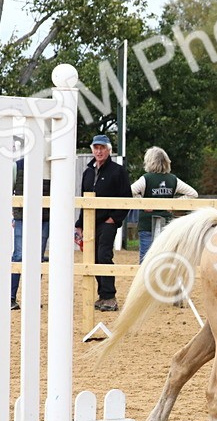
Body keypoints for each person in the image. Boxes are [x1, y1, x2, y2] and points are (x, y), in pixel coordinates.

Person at [78, 134, 131, 312]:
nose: (99, 151)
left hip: (107, 222)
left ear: (108, 150)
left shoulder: (118, 171)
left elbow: (127, 198)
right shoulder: (88, 172)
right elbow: (83, 199)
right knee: (91, 258)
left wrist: (114, 219)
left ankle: (109, 296)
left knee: (104, 256)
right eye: (96, 148)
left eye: (102, 148)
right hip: (90, 222)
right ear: (92, 150)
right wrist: (80, 223)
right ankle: (103, 295)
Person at [130, 146, 199, 263]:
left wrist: (142, 203)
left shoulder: (146, 179)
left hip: (146, 224)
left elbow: (129, 191)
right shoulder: (173, 179)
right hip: (167, 225)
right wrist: (173, 204)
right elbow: (193, 194)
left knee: (145, 260)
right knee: (165, 260)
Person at [10, 157, 51, 310]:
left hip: (43, 218)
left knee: (36, 257)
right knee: (19, 256)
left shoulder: (49, 166)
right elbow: (9, 191)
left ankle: (31, 297)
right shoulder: (17, 165)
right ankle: (11, 296)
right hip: (24, 217)